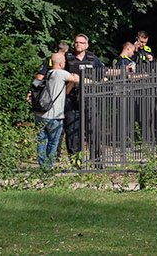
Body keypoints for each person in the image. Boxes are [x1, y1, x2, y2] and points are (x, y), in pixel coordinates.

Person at [30, 49, 78, 169]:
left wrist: (70, 83)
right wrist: (76, 76)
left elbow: (65, 92)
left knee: (42, 141)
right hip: (54, 116)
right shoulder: (60, 73)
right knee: (53, 142)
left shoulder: (47, 74)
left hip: (40, 115)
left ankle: (43, 166)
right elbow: (76, 79)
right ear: (61, 63)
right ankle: (49, 166)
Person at [62, 33, 103, 164]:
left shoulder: (93, 59)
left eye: (80, 43)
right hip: (72, 100)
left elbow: (102, 76)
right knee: (73, 133)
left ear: (87, 45)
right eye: (76, 43)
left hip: (89, 100)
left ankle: (96, 161)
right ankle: (76, 163)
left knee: (93, 130)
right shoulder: (67, 59)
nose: (78, 45)